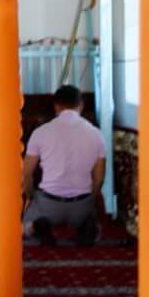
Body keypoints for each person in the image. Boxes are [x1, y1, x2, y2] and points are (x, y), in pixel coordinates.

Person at [22, 84, 106, 246]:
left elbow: (26, 174)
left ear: (56, 106)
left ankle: (36, 226)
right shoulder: (96, 134)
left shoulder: (41, 132)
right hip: (81, 205)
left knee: (24, 226)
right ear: (81, 105)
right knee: (89, 219)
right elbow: (99, 178)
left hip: (48, 204)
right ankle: (85, 227)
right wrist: (90, 200)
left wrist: (31, 197)